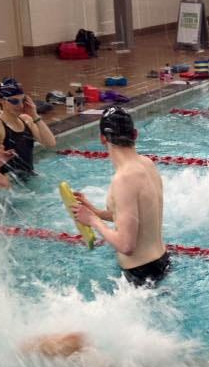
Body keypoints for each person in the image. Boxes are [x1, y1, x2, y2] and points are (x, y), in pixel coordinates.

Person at [71, 106, 169, 287]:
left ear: (102, 138)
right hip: (162, 261)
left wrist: (93, 221)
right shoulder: (147, 164)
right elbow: (134, 215)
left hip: (141, 274)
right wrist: (95, 211)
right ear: (135, 134)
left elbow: (126, 245)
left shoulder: (123, 179)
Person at [0, 78, 55, 182]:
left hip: (29, 177)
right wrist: (0, 177)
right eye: (14, 101)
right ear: (2, 101)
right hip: (11, 184)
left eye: (23, 100)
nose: (20, 105)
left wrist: (35, 115)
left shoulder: (26, 120)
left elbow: (50, 143)